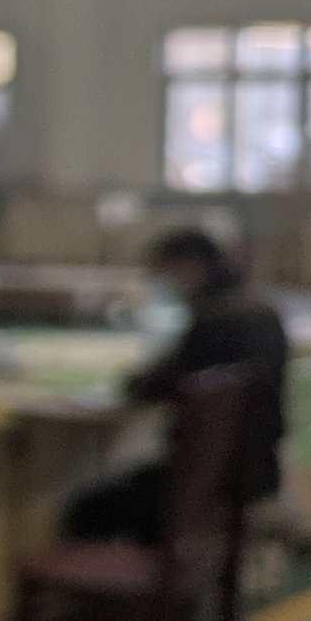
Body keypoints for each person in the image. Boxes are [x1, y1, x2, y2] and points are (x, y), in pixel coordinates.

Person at [63, 227, 288, 546]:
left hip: (211, 480)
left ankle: (114, 588)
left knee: (84, 510)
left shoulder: (217, 318)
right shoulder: (260, 309)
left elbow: (151, 386)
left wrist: (131, 379)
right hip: (255, 467)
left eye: (166, 275)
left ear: (187, 266)